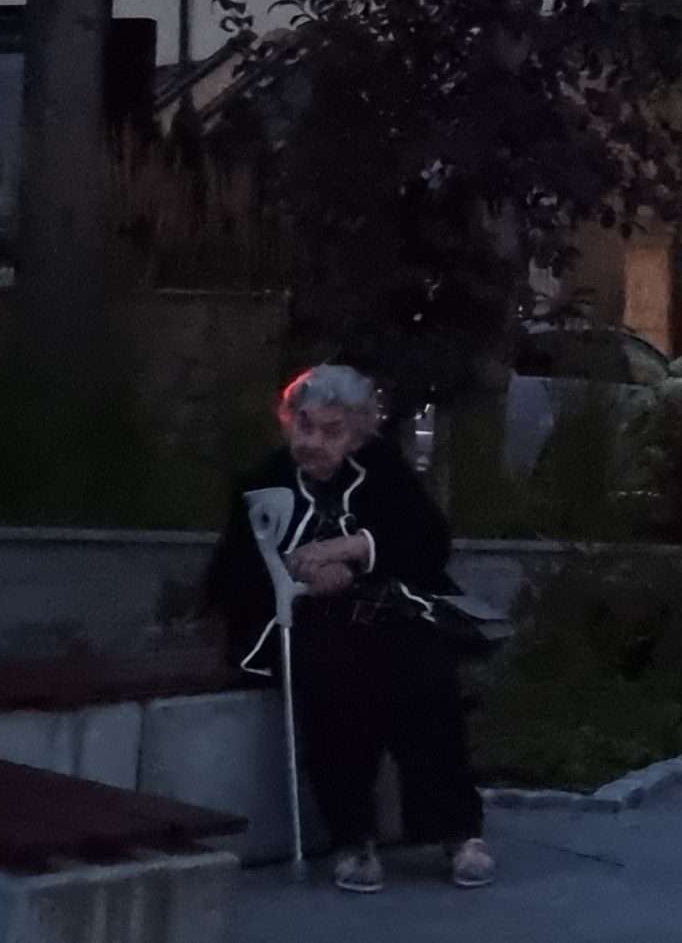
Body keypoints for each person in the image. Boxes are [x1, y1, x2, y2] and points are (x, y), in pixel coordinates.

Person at [205, 364, 494, 894]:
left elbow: (428, 540)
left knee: (427, 674)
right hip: (296, 620)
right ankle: (353, 838)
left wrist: (353, 549)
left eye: (331, 431)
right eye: (304, 425)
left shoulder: (380, 468)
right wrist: (298, 575)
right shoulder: (264, 480)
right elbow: (232, 573)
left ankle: (457, 831)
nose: (313, 442)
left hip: (384, 610)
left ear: (358, 434)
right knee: (336, 680)